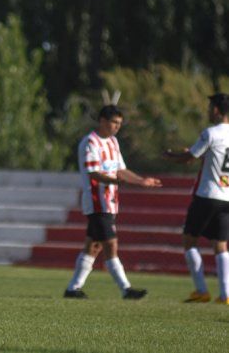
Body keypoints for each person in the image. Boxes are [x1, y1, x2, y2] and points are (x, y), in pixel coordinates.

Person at [64, 105, 162, 300]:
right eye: (114, 122)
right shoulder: (90, 142)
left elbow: (120, 170)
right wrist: (117, 181)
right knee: (111, 245)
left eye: (119, 124)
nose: (117, 127)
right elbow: (94, 173)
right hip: (96, 203)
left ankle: (73, 289)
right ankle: (126, 289)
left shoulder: (113, 143)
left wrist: (141, 181)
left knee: (94, 246)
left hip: (109, 202)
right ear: (102, 120)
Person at [163, 93, 229, 305]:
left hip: (207, 195)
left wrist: (170, 156)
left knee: (189, 240)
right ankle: (226, 294)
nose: (208, 111)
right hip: (226, 197)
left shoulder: (211, 133)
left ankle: (201, 290)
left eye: (210, 107)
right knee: (220, 244)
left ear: (217, 110)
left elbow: (189, 158)